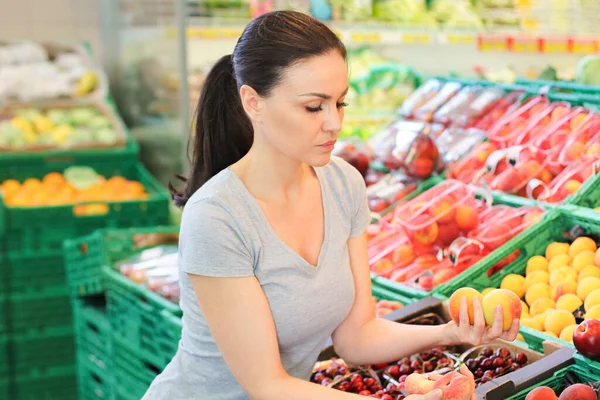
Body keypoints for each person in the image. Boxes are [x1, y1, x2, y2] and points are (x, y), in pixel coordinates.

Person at [143, 10, 520, 400]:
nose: (334, 123)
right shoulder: (218, 217)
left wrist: (450, 332)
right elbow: (267, 384)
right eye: (313, 107)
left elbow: (357, 337)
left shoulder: (343, 185)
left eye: (340, 103)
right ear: (253, 103)